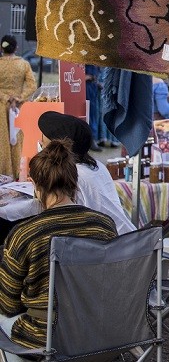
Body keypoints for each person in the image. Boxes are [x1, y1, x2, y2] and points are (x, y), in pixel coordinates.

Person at [0, 140, 117, 352]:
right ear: (74, 182)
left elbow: (8, 305)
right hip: (101, 333)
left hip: (47, 339)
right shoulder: (104, 225)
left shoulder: (25, 234)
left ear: (35, 186)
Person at [36, 112, 134, 234]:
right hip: (120, 236)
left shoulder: (73, 175)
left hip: (109, 242)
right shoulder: (96, 166)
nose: (40, 148)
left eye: (43, 144)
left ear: (57, 149)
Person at [0, 36, 36, 178]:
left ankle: (3, 172)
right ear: (16, 48)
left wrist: (5, 97)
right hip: (17, 109)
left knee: (2, 139)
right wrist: (19, 98)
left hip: (1, 107)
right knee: (17, 139)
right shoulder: (24, 64)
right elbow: (32, 85)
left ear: (2, 49)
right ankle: (17, 172)